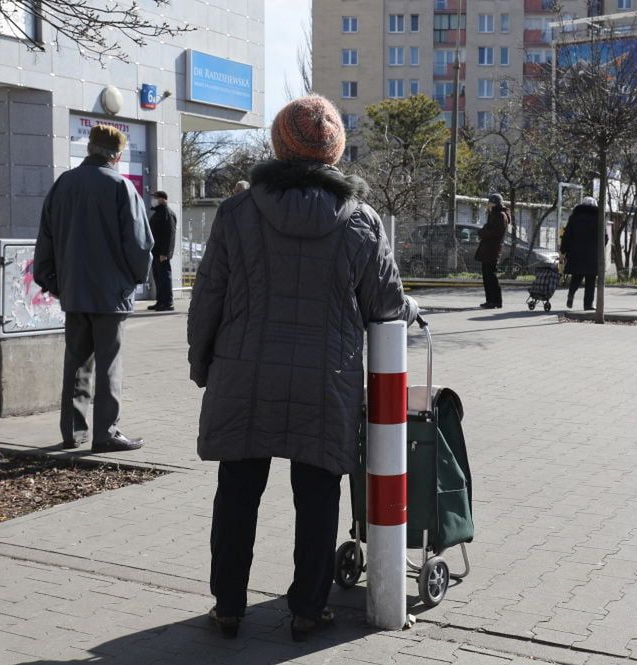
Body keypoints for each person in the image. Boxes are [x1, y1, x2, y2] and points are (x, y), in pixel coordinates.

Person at [188, 94, 418, 642]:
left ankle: (227, 607)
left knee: (238, 490)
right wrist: (413, 310)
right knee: (318, 495)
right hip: (326, 379)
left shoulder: (237, 211)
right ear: (335, 152)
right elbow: (386, 304)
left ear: (278, 145)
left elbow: (209, 299)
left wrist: (204, 364)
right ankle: (307, 610)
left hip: (244, 374)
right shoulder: (362, 221)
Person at [34, 125, 153, 453]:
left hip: (73, 291)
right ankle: (106, 432)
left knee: (76, 363)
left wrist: (53, 281)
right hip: (110, 294)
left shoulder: (63, 185)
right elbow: (140, 245)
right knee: (109, 364)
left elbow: (45, 238)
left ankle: (74, 431)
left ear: (90, 148)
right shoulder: (120, 187)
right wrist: (133, 280)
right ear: (117, 155)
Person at [561, 197, 602, 311]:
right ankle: (588, 305)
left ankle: (571, 294)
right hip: (592, 254)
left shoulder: (574, 218)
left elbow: (567, 235)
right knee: (590, 280)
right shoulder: (598, 218)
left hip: (576, 252)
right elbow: (604, 237)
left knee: (577, 276)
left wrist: (564, 250)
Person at [475, 193, 510, 309]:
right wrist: (483, 231)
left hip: (492, 249)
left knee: (491, 276)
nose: (488, 205)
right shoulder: (494, 214)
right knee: (487, 276)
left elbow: (495, 233)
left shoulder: (500, 215)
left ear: (495, 203)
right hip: (488, 249)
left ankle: (496, 301)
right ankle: (490, 300)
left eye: (490, 202)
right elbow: (487, 228)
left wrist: (482, 233)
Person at [147, 190, 176, 312]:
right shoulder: (158, 212)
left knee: (164, 277)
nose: (153, 199)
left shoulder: (166, 213)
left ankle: (167, 302)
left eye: (156, 197)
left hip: (162, 253)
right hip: (155, 251)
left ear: (163, 199)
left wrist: (165, 253)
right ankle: (160, 301)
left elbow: (169, 234)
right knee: (158, 277)